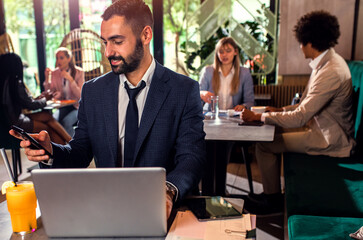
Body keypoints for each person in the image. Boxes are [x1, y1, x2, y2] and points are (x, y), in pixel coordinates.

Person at [10, 0, 206, 219]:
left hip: (164, 213)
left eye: (117, 41)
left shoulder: (183, 90)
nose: (107, 52)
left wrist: (168, 192)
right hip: (109, 209)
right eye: (105, 42)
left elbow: (192, 158)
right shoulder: (93, 92)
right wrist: (51, 151)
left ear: (146, 35)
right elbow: (81, 151)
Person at [240, 10, 356, 214]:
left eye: (301, 42)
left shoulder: (330, 71)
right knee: (268, 138)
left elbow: (301, 116)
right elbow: (305, 104)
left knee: (265, 145)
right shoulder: (326, 62)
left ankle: (272, 199)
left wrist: (258, 116)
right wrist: (280, 110)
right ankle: (272, 193)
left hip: (330, 139)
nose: (300, 46)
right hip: (321, 129)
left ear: (310, 42)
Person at [1, 53, 71, 144]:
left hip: (8, 121)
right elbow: (30, 105)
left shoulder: (4, 82)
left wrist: (37, 100)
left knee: (47, 116)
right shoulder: (14, 82)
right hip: (15, 123)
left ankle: (71, 143)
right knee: (47, 130)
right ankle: (67, 150)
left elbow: (23, 101)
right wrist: (45, 99)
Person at [199, 37, 254, 111]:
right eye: (221, 52)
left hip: (234, 117)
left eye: (228, 51)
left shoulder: (244, 73)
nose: (224, 55)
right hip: (210, 116)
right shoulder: (207, 71)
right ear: (217, 54)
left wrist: (243, 106)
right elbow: (197, 95)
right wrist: (202, 94)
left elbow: (250, 102)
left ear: (235, 52)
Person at [43, 47, 85, 136]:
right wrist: (47, 79)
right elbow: (49, 92)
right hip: (63, 106)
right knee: (53, 121)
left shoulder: (79, 72)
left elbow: (81, 95)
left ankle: (75, 146)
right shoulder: (55, 73)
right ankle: (60, 146)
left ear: (69, 59)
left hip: (77, 107)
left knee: (66, 122)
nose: (58, 61)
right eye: (57, 58)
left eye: (61, 58)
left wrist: (70, 80)